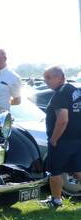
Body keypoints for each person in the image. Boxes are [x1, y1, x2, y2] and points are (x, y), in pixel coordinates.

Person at [41, 66, 81, 210]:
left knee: (55, 171)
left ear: (60, 77)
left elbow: (63, 119)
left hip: (62, 141)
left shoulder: (60, 94)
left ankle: (56, 201)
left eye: (49, 78)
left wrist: (54, 139)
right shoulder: (75, 91)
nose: (46, 81)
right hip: (78, 139)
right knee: (77, 170)